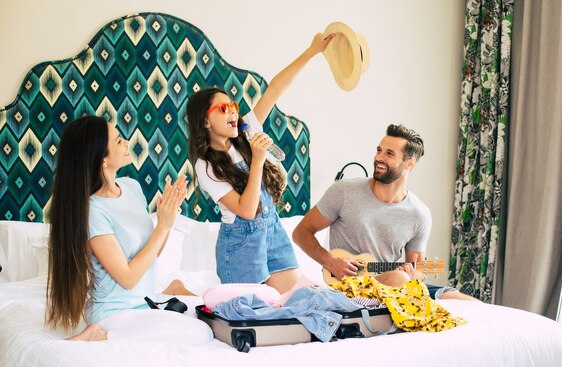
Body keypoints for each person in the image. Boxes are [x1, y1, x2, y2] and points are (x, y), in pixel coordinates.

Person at [187, 32, 334, 294]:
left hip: (272, 232)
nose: (232, 111)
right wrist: (257, 160)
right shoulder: (206, 166)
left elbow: (276, 88)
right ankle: (186, 289)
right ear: (205, 122)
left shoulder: (245, 132)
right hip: (240, 244)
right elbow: (246, 210)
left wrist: (312, 51)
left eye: (232, 105)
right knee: (255, 312)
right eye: (222, 109)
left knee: (304, 297)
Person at [46, 115, 211, 341]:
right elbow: (127, 278)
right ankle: (96, 334)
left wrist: (168, 219)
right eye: (117, 141)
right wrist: (161, 228)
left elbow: (152, 254)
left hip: (144, 303)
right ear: (101, 160)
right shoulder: (93, 210)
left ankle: (172, 288)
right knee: (198, 333)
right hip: (115, 311)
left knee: (204, 324)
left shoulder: (131, 187)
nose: (126, 142)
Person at [292, 124, 478, 301]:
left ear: (409, 164)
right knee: (400, 281)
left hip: (391, 284)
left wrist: (414, 273)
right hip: (348, 289)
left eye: (389, 153)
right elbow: (301, 232)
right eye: (379, 150)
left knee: (465, 302)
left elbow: (420, 269)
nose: (379, 157)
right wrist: (330, 261)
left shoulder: (419, 214)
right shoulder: (344, 191)